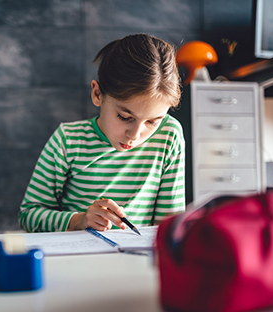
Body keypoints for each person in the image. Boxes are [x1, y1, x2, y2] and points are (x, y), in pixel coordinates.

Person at [19, 34, 185, 233]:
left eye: (152, 122)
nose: (134, 134)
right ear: (97, 94)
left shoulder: (169, 136)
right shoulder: (67, 140)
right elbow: (28, 215)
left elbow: (170, 229)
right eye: (125, 117)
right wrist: (80, 220)